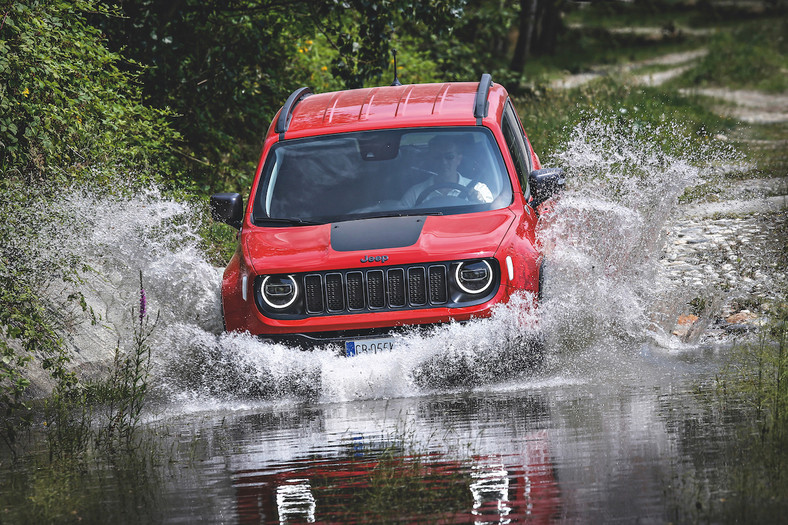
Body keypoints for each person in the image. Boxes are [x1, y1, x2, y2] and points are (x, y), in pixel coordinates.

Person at [400, 135, 493, 208]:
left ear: (459, 159)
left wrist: (480, 203)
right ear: (431, 160)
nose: (443, 162)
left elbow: (494, 219)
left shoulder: (479, 189)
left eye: (449, 157)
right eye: (437, 157)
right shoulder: (415, 193)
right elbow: (401, 223)